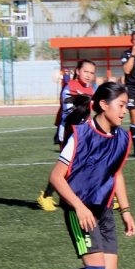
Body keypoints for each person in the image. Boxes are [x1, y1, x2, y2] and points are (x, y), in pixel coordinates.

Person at [37, 82, 135, 269]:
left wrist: (125, 210)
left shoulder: (123, 137)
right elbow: (56, 176)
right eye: (121, 105)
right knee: (95, 268)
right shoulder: (81, 135)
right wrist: (79, 207)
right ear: (103, 105)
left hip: (103, 210)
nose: (125, 111)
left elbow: (117, 174)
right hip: (78, 209)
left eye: (127, 105)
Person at [40, 60, 98, 212]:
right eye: (86, 72)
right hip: (68, 131)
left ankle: (101, 196)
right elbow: (69, 113)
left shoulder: (91, 90)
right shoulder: (70, 87)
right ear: (78, 71)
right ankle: (46, 196)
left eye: (92, 73)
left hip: (83, 132)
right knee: (65, 168)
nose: (88, 75)